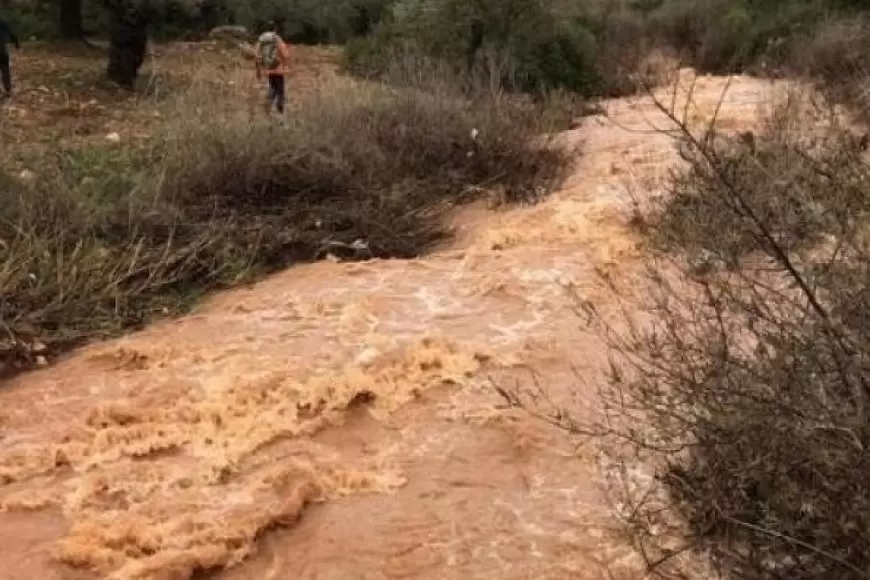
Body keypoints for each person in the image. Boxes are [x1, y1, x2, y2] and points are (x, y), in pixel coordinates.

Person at [254, 21, 290, 115]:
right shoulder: (276, 38)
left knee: (272, 88)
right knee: (280, 90)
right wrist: (285, 62)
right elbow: (285, 54)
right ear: (275, 29)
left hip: (268, 68)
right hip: (278, 68)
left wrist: (258, 70)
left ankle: (268, 107)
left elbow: (256, 55)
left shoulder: (261, 39)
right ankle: (280, 111)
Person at [0, 15, 20, 98]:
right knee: (5, 70)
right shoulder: (4, 25)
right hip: (2, 51)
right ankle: (7, 89)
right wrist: (17, 44)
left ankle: (6, 89)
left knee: (5, 69)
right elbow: (12, 35)